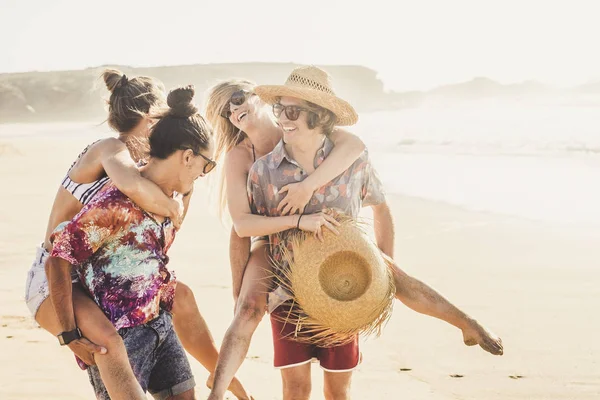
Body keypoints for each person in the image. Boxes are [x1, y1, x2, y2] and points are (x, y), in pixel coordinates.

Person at [244, 65, 503, 400]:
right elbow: (253, 232)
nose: (283, 118)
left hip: (345, 291)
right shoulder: (264, 171)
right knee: (295, 390)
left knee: (339, 389)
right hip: (288, 295)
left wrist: (386, 264)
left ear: (320, 116)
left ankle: (467, 323)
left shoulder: (352, 163)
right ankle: (466, 323)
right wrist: (245, 293)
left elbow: (380, 205)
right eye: (279, 109)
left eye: (292, 111)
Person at [25, 70, 249, 399]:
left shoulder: (154, 183)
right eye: (206, 166)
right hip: (63, 278)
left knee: (181, 296)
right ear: (148, 119)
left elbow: (155, 238)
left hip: (118, 286)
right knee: (109, 343)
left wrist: (179, 197)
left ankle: (227, 380)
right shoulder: (112, 158)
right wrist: (69, 334)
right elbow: (61, 256)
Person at [204, 76, 367, 398]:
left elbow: (354, 145)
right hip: (270, 237)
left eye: (237, 98)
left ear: (257, 96)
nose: (234, 109)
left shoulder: (296, 126)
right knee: (249, 306)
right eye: (226, 110)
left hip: (323, 237)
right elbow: (242, 226)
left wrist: (308, 187)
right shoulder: (241, 155)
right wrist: (298, 220)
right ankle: (218, 388)